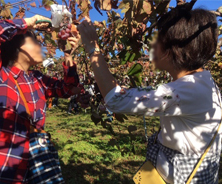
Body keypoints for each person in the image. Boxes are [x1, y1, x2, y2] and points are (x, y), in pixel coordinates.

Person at [78, 8, 221, 184]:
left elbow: (116, 99)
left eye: (157, 40)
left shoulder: (184, 91)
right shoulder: (203, 83)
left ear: (173, 48)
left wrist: (93, 48)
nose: (152, 46)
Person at [0, 15, 82, 183]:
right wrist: (28, 23)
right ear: (18, 47)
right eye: (35, 42)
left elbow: (68, 89)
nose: (40, 47)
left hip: (32, 168)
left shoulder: (38, 79)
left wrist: (68, 55)